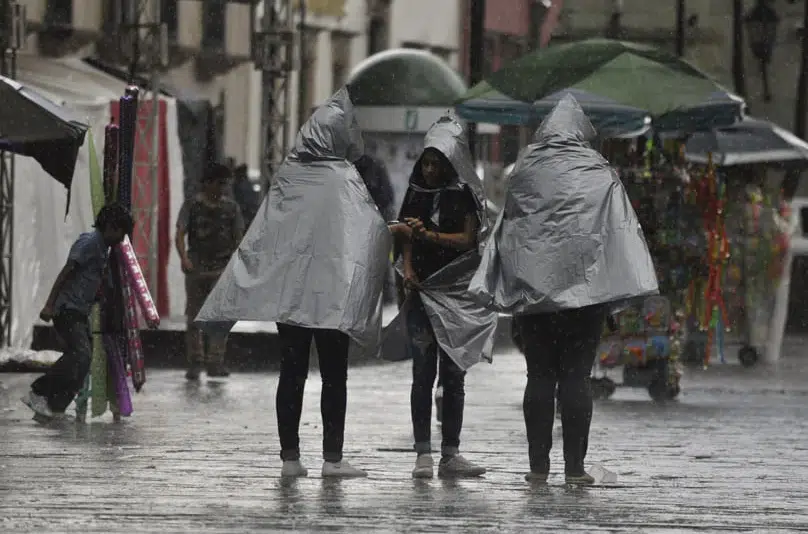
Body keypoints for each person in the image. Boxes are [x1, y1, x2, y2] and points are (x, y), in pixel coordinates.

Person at [193, 86, 392, 479]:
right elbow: (367, 230)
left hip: (291, 295)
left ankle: (290, 458)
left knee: (292, 372)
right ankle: (332, 459)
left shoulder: (289, 174)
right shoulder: (344, 179)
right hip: (330, 296)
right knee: (335, 375)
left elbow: (267, 232)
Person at [469, 95, 658, 485]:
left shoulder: (526, 168)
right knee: (575, 376)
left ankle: (538, 467)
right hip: (584, 297)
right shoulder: (598, 170)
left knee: (538, 374)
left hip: (534, 296)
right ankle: (574, 469)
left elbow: (513, 225)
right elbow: (616, 229)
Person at [390, 113, 496, 479]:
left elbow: (468, 240)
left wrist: (430, 236)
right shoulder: (416, 190)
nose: (431, 170)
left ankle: (451, 453)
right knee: (422, 372)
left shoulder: (463, 194)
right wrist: (407, 267)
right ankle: (423, 453)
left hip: (456, 293)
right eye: (427, 162)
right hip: (422, 290)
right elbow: (404, 232)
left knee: (453, 374)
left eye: (438, 163)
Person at [22, 203, 134, 420]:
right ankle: (38, 391)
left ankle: (52, 409)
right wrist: (49, 304)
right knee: (81, 355)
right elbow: (67, 272)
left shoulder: (103, 249)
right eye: (122, 232)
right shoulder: (90, 243)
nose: (122, 239)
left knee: (82, 363)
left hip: (79, 311)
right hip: (67, 310)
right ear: (111, 226)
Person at [176, 162, 245, 380]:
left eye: (226, 184)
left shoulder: (231, 208)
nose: (223, 188)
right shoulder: (193, 205)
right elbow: (180, 233)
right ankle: (195, 361)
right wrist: (184, 258)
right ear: (208, 183)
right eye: (220, 183)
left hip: (221, 268)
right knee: (195, 317)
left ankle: (216, 361)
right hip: (197, 267)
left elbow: (238, 239)